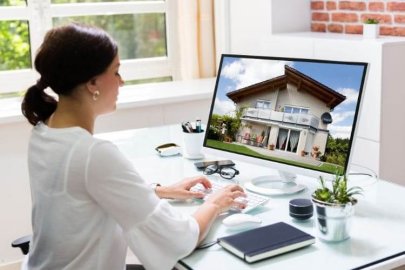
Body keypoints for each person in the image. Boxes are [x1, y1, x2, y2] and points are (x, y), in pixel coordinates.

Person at [21, 23, 246, 270]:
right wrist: (215, 203)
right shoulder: (92, 154)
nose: (122, 82)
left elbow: (81, 197)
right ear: (93, 83)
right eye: (116, 72)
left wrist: (160, 191)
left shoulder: (44, 131)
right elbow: (178, 239)